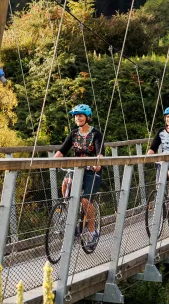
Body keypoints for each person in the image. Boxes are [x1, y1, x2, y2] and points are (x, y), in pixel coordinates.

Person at [54, 104, 103, 248]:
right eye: (76, 116)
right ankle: (68, 210)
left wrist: (97, 163)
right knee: (66, 182)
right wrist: (51, 161)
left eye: (80, 115)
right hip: (77, 170)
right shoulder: (74, 134)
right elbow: (61, 151)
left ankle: (93, 232)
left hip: (91, 171)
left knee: (86, 201)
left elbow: (100, 152)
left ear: (87, 117)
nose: (77, 118)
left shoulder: (96, 134)